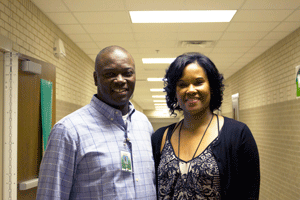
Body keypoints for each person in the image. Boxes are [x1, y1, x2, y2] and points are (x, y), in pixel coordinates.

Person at [36, 46, 156, 200]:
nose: (120, 80)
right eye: (110, 74)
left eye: (127, 73)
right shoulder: (68, 131)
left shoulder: (144, 124)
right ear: (95, 78)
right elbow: (50, 195)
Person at [151, 52, 260, 199]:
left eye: (198, 82)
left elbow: (249, 193)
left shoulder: (238, 135)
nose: (190, 90)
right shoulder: (160, 137)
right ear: (174, 92)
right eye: (182, 84)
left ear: (212, 87)